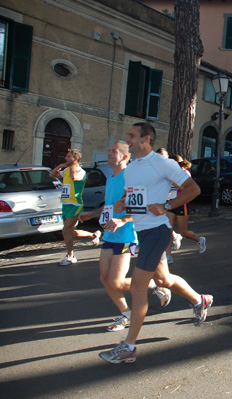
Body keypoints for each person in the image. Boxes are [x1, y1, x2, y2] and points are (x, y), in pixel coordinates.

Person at [99, 122, 213, 364]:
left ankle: (128, 347)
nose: (127, 139)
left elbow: (193, 189)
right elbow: (134, 201)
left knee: (139, 288)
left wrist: (167, 206)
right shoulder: (131, 168)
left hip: (157, 232)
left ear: (146, 139)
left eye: (131, 135)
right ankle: (199, 299)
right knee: (163, 280)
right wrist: (122, 211)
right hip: (143, 232)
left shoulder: (162, 163)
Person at [78, 142, 172, 332]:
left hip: (126, 234)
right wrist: (93, 213)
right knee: (105, 278)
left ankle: (151, 284)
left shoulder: (129, 177)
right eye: (109, 150)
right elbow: (110, 206)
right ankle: (126, 313)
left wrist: (123, 221)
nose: (109, 153)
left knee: (116, 281)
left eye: (114, 151)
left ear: (125, 157)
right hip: (110, 234)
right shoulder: (111, 178)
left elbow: (140, 208)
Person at [49, 148, 101, 266]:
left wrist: (71, 165)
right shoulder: (66, 170)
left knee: (65, 231)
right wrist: (60, 166)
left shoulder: (80, 172)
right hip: (66, 204)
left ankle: (71, 256)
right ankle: (93, 234)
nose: (66, 158)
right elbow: (52, 174)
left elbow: (74, 177)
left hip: (75, 204)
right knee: (71, 232)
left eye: (68, 157)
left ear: (75, 159)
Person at [166, 155, 207, 254]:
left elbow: (187, 188)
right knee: (168, 231)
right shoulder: (168, 174)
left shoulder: (185, 173)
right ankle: (168, 256)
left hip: (181, 204)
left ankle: (199, 240)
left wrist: (173, 182)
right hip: (171, 203)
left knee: (183, 231)